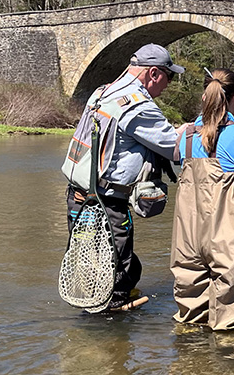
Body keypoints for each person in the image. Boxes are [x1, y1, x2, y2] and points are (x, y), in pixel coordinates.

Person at [61, 43, 185, 311]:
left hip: (77, 196)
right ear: (153, 73)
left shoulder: (101, 92)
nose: (168, 85)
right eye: (168, 76)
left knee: (91, 265)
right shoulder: (137, 105)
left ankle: (95, 325)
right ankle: (111, 334)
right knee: (120, 272)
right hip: (107, 202)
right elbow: (175, 149)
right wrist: (195, 129)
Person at [170, 67, 234, 330]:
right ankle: (230, 367)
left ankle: (191, 364)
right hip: (228, 235)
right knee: (232, 318)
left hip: (188, 234)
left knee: (190, 314)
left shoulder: (187, 136)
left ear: (206, 96)